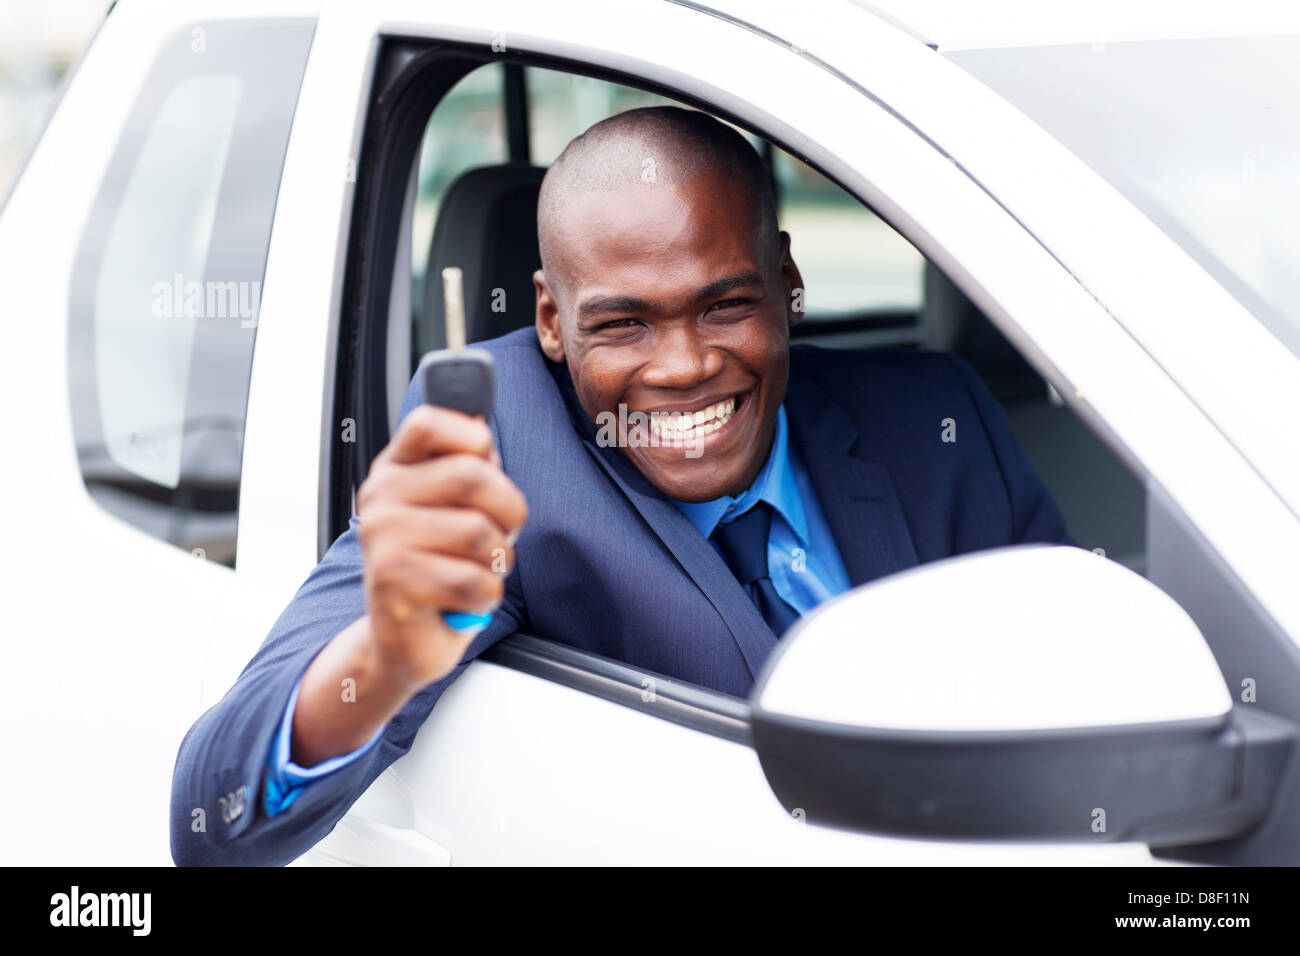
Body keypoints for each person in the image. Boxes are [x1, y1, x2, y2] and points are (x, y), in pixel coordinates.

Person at [170, 106, 1071, 866]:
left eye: (725, 305)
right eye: (623, 324)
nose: (684, 366)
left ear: (788, 282)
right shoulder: (497, 446)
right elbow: (215, 818)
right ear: (552, 322)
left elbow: (1083, 678)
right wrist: (385, 655)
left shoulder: (935, 420)